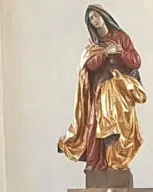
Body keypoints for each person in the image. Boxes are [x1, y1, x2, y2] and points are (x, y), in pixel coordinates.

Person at [57, 4, 145, 171]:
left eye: (96, 16)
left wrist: (120, 52)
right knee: (96, 125)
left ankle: (116, 160)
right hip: (101, 90)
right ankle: (99, 162)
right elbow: (89, 65)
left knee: (121, 128)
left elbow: (136, 61)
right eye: (91, 19)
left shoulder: (121, 37)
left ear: (104, 16)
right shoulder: (92, 44)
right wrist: (105, 53)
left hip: (121, 90)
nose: (95, 20)